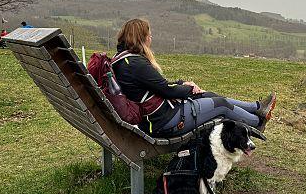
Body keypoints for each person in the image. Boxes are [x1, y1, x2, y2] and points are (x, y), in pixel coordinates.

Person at [112, 18, 276, 137]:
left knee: (209, 95)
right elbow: (166, 90)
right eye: (149, 35)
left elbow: (156, 86)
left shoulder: (124, 61)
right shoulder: (135, 64)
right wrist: (189, 88)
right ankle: (257, 123)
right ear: (141, 38)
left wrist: (184, 84)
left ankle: (256, 107)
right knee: (221, 105)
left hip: (156, 118)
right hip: (164, 122)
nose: (151, 38)